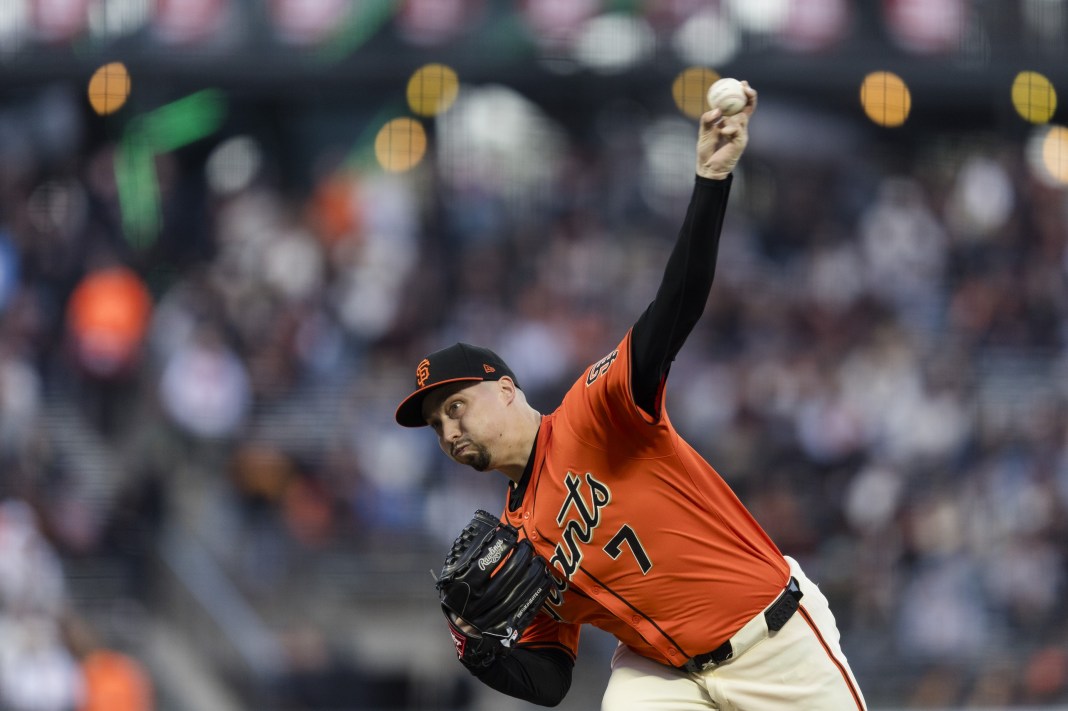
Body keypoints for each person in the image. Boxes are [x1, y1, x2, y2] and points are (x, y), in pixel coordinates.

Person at [394, 82, 867, 710]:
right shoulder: (515, 545)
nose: (448, 430)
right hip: (665, 675)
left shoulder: (592, 415)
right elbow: (551, 681)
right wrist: (480, 648)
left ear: (507, 389)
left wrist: (711, 182)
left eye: (455, 407)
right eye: (435, 424)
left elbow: (676, 307)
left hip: (770, 639)